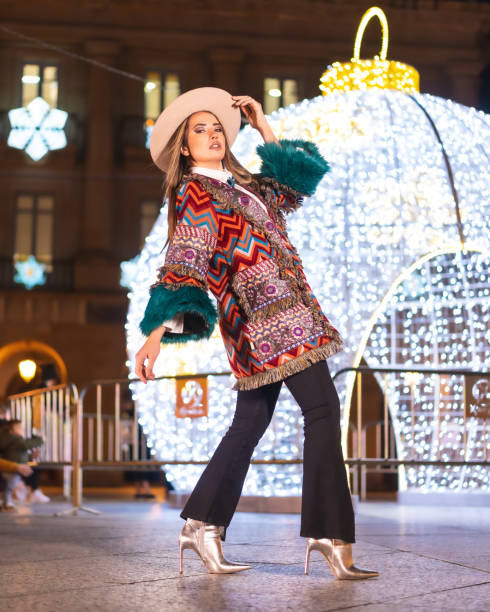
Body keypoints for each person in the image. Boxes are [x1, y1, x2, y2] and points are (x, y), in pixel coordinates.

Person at [135, 87, 378, 579]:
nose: (212, 135)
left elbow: (293, 187)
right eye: (199, 130)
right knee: (323, 409)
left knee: (250, 423)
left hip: (286, 313)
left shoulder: (242, 186)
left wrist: (264, 127)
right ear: (184, 147)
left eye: (218, 128)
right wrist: (157, 330)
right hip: (264, 320)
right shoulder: (196, 192)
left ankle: (202, 524)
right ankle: (329, 534)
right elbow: (186, 257)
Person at [0, 419, 43, 511]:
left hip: (10, 466)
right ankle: (8, 502)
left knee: (10, 485)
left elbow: (16, 454)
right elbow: (26, 445)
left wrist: (30, 457)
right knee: (9, 485)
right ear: (11, 431)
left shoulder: (7, 440)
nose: (22, 429)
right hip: (11, 468)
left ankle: (10, 500)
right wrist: (39, 439)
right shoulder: (16, 439)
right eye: (19, 428)